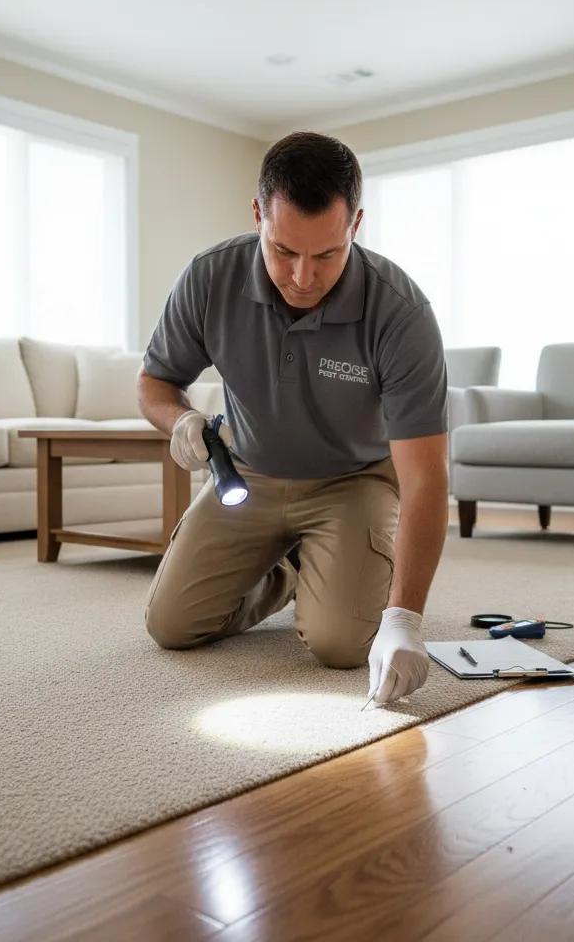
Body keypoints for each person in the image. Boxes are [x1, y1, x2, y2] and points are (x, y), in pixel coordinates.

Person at [139, 131, 448, 705]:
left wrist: (404, 619)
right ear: (258, 215)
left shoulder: (401, 313)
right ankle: (288, 572)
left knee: (341, 644)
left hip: (353, 482)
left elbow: (426, 477)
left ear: (355, 225)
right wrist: (178, 419)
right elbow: (155, 382)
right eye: (284, 250)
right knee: (171, 627)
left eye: (326, 254)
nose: (303, 277)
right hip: (248, 477)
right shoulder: (210, 278)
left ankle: (331, 566)